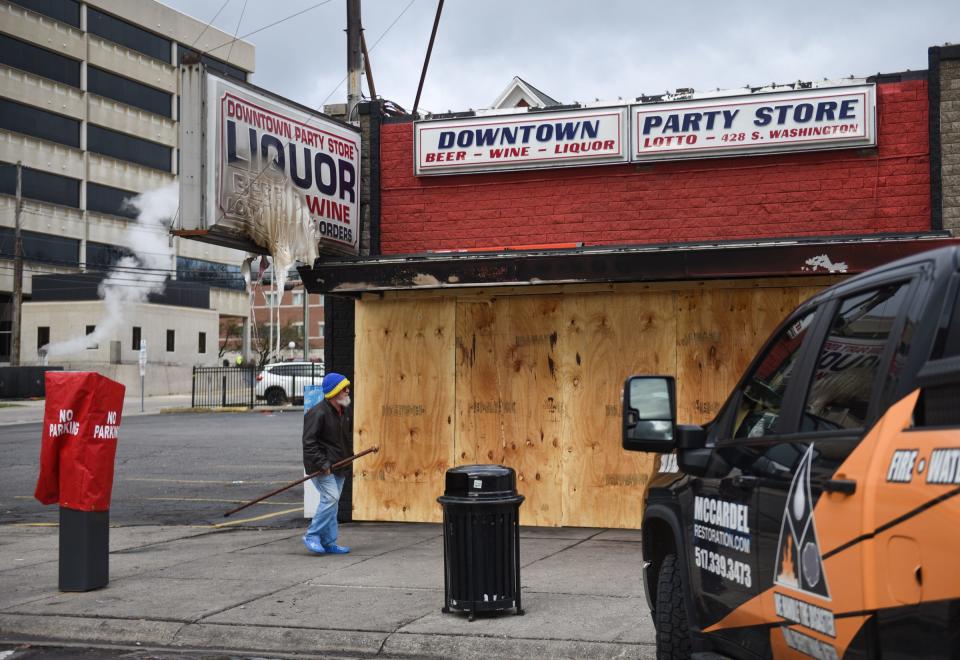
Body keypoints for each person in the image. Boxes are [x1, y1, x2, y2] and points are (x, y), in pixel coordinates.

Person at [301, 372, 352, 554]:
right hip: (322, 468)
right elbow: (309, 443)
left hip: (339, 466)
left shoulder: (344, 411)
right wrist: (323, 465)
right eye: (344, 388)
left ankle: (329, 542)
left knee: (333, 503)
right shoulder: (318, 413)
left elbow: (343, 440)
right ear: (334, 392)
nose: (348, 391)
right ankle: (312, 535)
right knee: (331, 498)